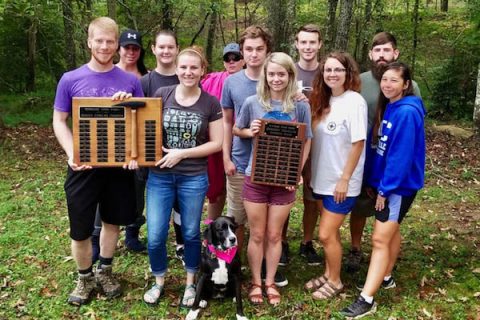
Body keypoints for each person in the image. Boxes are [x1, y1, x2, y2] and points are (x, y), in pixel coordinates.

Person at [52, 17, 144, 305]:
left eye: (110, 41)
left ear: (117, 44)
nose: (104, 46)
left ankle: (105, 270)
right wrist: (71, 153)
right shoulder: (70, 79)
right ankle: (84, 278)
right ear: (89, 42)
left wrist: (128, 108)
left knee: (112, 222)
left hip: (118, 168)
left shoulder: (130, 81)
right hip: (84, 167)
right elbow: (59, 120)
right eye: (99, 40)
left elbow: (142, 120)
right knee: (80, 229)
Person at [341, 62, 426, 318]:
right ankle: (386, 277)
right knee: (391, 230)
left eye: (394, 81)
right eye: (385, 80)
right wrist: (373, 181)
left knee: (379, 239)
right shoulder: (390, 106)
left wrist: (385, 190)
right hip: (385, 184)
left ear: (406, 84)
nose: (387, 85)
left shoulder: (408, 112)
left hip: (397, 187)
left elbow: (400, 156)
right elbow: (382, 150)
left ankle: (366, 299)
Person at [142, 47, 223, 307]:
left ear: (202, 71)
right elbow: (142, 126)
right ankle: (159, 281)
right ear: (176, 69)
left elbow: (217, 143)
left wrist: (182, 153)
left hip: (193, 178)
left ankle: (190, 283)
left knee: (189, 233)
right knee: (155, 234)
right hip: (160, 177)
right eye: (184, 67)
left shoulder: (210, 102)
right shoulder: (161, 94)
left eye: (194, 68)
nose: (188, 72)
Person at [234, 52, 312, 305]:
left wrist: (297, 172)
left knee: (275, 235)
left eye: (282, 74)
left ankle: (270, 281)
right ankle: (256, 282)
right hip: (255, 176)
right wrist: (249, 130)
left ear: (290, 76)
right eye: (272, 74)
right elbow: (237, 129)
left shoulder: (300, 105)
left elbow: (307, 139)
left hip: (284, 180)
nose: (276, 79)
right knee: (257, 234)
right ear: (265, 76)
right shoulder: (252, 102)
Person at [346, 32, 422, 272]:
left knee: (389, 209)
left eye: (386, 50)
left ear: (395, 53)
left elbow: (411, 128)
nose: (381, 55)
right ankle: (356, 249)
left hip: (391, 156)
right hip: (365, 153)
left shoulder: (410, 89)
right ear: (370, 54)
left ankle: (384, 258)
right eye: (377, 51)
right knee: (359, 205)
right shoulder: (359, 81)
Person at [304, 51, 367, 300]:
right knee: (331, 232)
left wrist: (345, 178)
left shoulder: (355, 102)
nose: (332, 74)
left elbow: (358, 143)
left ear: (347, 73)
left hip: (342, 183)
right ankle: (329, 272)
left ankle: (336, 281)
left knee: (325, 233)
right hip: (321, 178)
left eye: (338, 69)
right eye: (328, 70)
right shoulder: (322, 101)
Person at [91, 29, 148, 259]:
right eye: (127, 47)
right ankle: (96, 239)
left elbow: (146, 110)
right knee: (102, 193)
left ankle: (132, 232)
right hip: (107, 146)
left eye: (135, 48)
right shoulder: (107, 75)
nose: (131, 52)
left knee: (136, 189)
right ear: (119, 49)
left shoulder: (144, 77)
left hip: (136, 148)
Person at [140, 29, 186, 262]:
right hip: (153, 156)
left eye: (171, 47)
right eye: (162, 47)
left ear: (177, 49)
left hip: (183, 154)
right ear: (154, 49)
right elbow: (135, 114)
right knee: (156, 203)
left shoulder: (186, 76)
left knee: (181, 203)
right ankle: (145, 240)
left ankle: (180, 243)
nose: (166, 51)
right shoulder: (145, 81)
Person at [279, 23, 323, 267]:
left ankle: (307, 243)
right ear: (296, 44)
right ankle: (282, 242)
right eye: (303, 42)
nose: (307, 46)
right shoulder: (287, 71)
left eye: (312, 42)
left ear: (319, 45)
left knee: (311, 195)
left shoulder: (327, 72)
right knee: (285, 192)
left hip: (318, 144)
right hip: (289, 144)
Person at [201, 43, 245, 220]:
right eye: (228, 58)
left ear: (243, 60)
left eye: (236, 58)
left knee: (241, 191)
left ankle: (238, 227)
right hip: (216, 144)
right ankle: (213, 227)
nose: (232, 61)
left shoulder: (256, 81)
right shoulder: (211, 80)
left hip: (242, 143)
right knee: (216, 189)